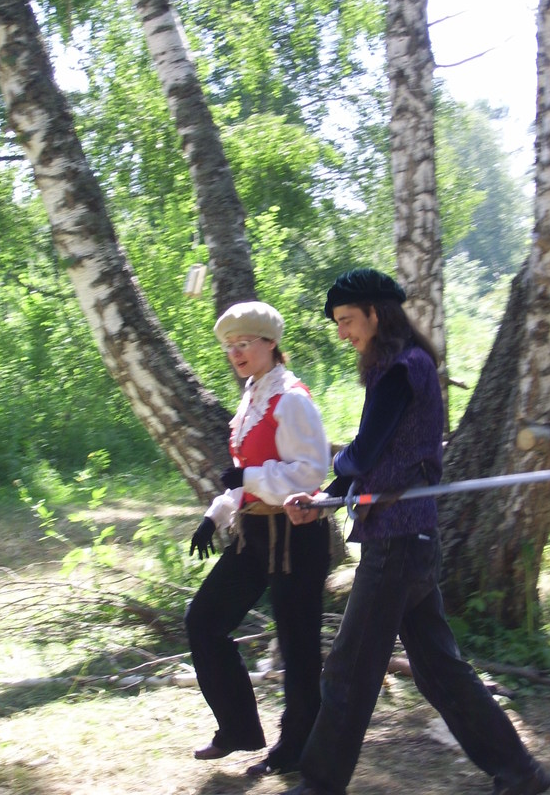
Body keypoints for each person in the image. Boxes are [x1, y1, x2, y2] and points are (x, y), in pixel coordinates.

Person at [281, 268, 550, 795]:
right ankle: (521, 773)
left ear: (376, 314)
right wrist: (326, 498)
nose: (343, 333)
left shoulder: (402, 369)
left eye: (347, 320)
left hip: (397, 545)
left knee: (348, 670)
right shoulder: (404, 365)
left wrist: (334, 467)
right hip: (411, 540)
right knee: (440, 671)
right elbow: (373, 458)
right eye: (338, 323)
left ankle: (319, 784)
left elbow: (364, 452)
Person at [185, 300, 331, 778]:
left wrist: (247, 477)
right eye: (229, 346)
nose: (236, 353)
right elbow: (244, 478)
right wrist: (215, 515)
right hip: (253, 533)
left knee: (298, 646)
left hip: (295, 536)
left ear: (270, 343)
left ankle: (297, 748)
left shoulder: (290, 399)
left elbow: (310, 473)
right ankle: (238, 729)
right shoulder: (253, 396)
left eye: (244, 343)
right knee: (204, 620)